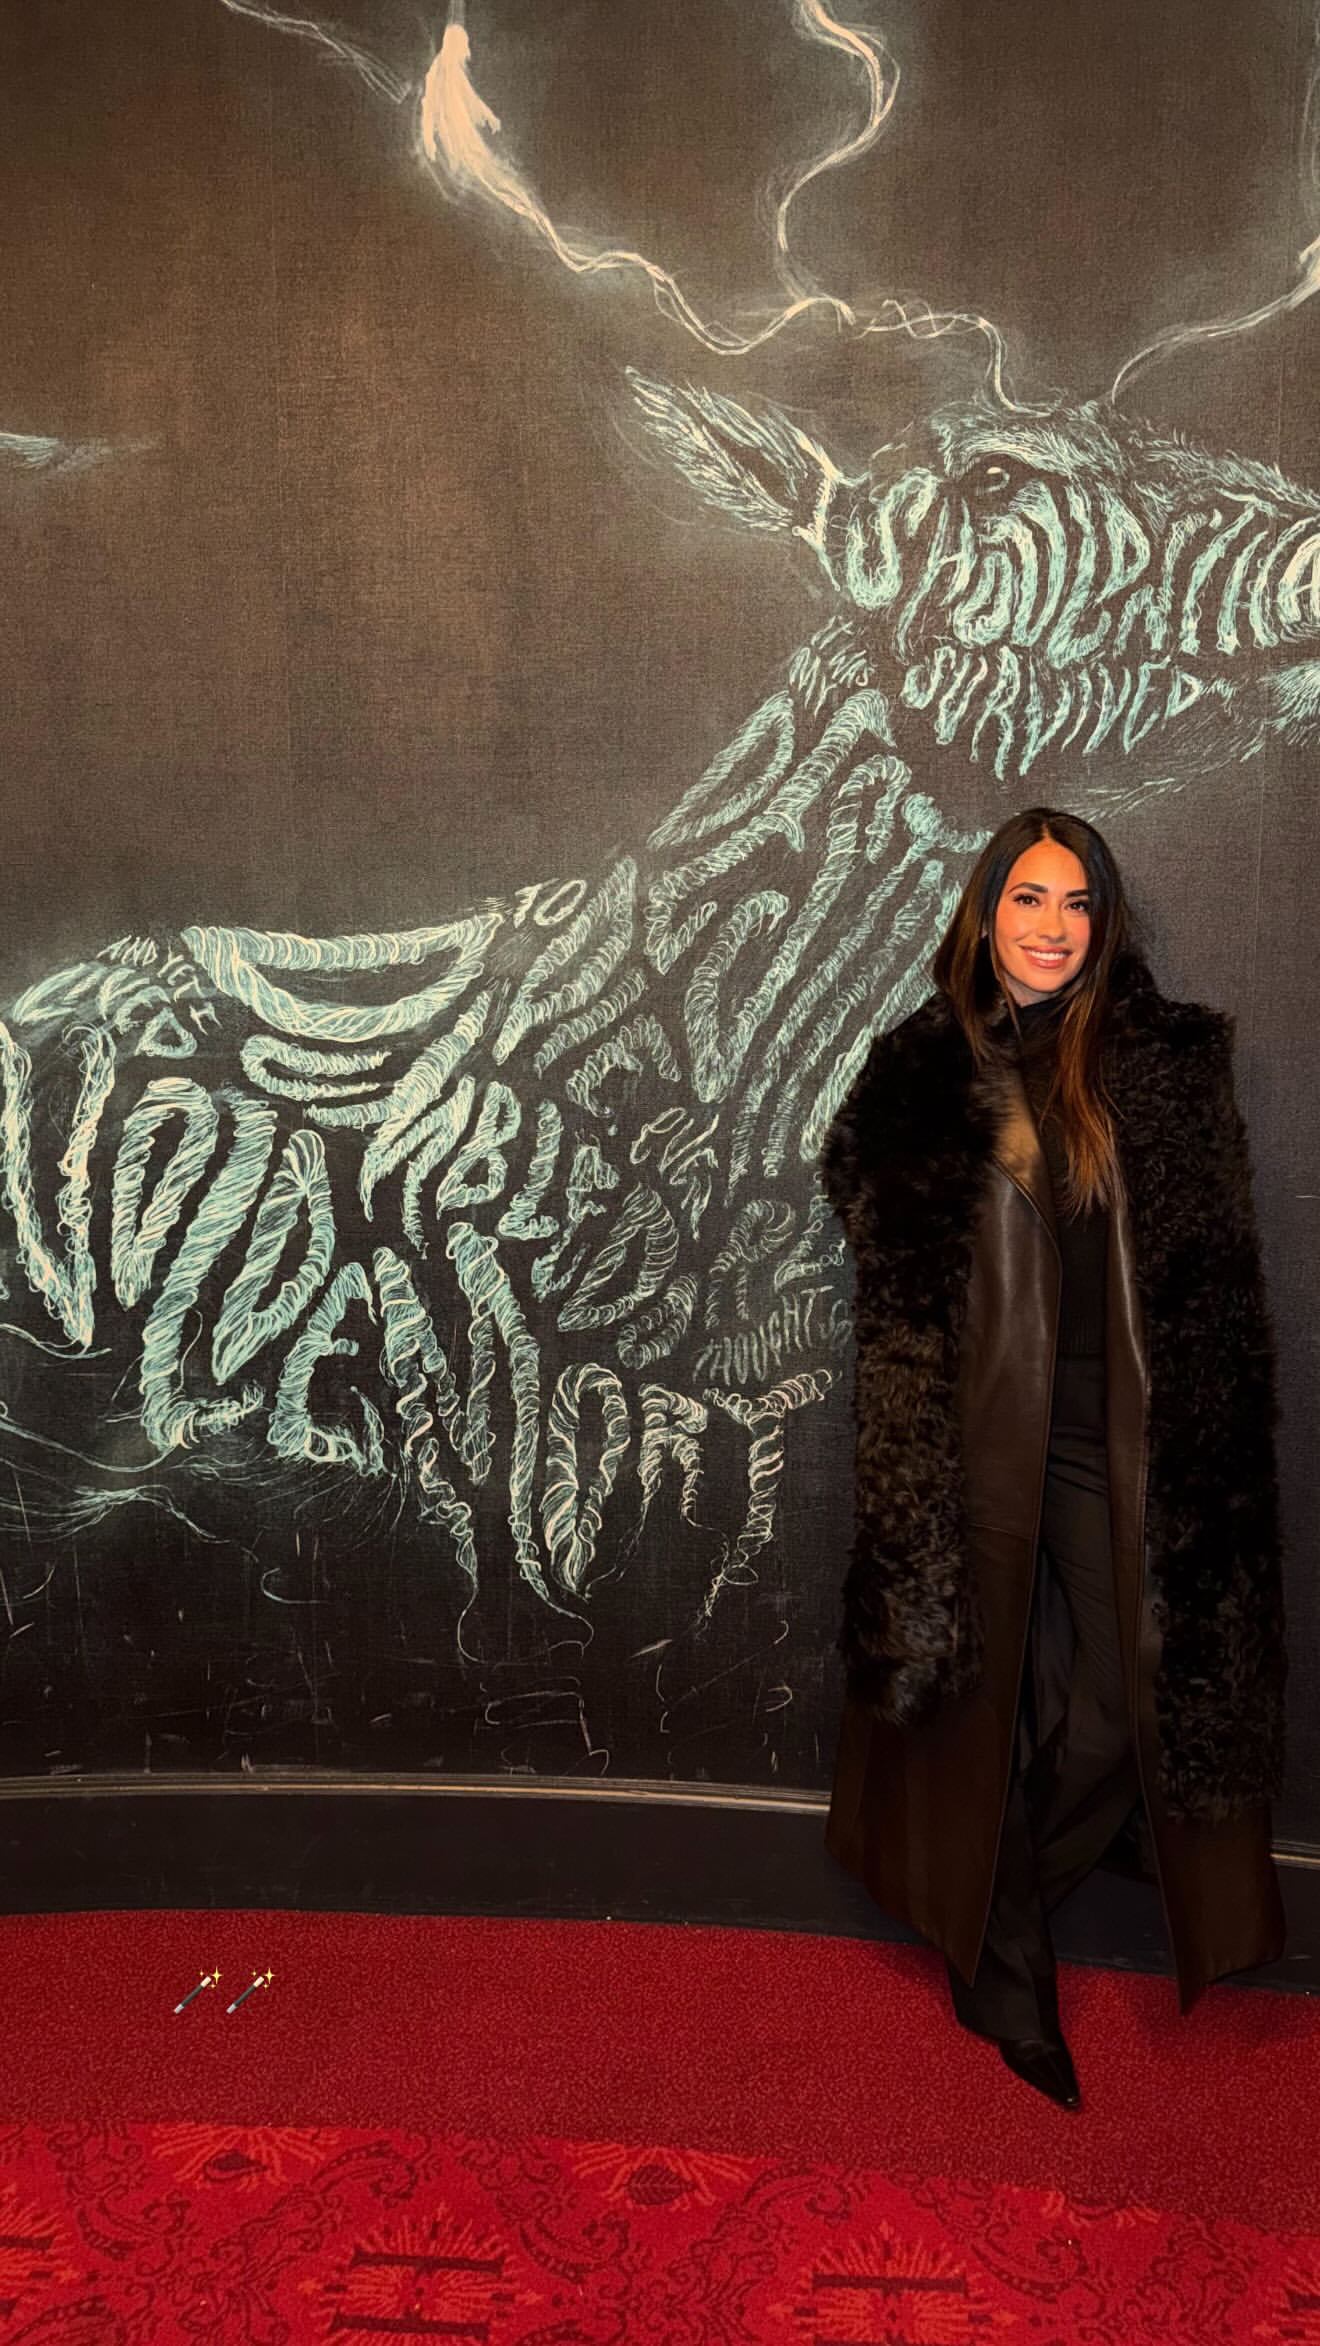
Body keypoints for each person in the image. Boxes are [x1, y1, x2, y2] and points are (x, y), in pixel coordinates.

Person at [817, 806, 1288, 2111]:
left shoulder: (1162, 1065)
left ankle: (989, 1890)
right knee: (979, 1704)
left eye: (1077, 904)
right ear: (986, 916)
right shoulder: (923, 1074)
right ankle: (1006, 1973)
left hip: (1123, 1443)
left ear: (1104, 923)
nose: (1051, 927)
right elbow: (887, 1262)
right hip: (977, 1447)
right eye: (1028, 898)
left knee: (1125, 1707)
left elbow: (1211, 1285)